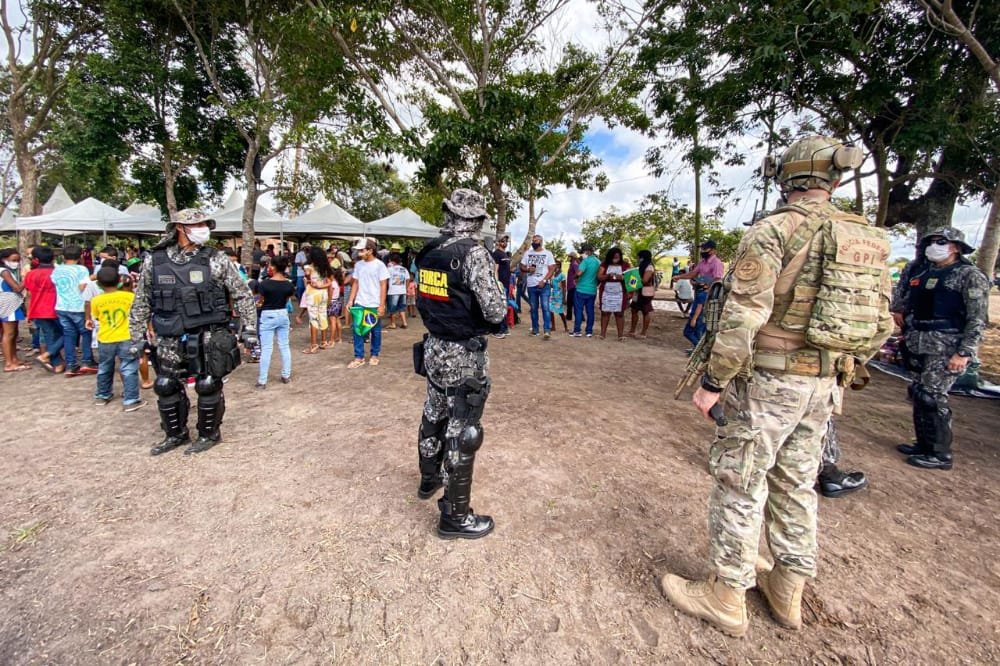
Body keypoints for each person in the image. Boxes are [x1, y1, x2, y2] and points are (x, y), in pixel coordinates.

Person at [660, 135, 892, 636]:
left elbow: (743, 317)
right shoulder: (864, 238)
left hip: (769, 381)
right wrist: (839, 365)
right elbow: (881, 324)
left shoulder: (775, 231)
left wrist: (713, 381)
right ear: (833, 178)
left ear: (787, 176)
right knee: (796, 483)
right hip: (824, 383)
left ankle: (726, 593)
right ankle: (787, 588)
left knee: (741, 480)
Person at [415, 188, 507, 538]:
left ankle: (428, 479)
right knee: (463, 429)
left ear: (448, 214)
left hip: (434, 347)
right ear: (478, 221)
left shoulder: (429, 251)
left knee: (433, 412)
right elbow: (495, 309)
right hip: (462, 355)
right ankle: (455, 517)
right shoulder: (475, 254)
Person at [129, 208, 257, 456]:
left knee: (208, 384)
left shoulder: (215, 258)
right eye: (197, 223)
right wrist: (135, 336)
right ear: (180, 227)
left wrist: (249, 327)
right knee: (166, 385)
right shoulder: (154, 261)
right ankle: (175, 434)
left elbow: (242, 293)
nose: (203, 228)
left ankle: (209, 434)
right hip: (169, 334)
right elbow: (141, 301)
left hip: (208, 332)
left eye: (205, 223)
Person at [891, 226, 990, 470]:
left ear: (956, 247)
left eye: (942, 242)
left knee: (932, 397)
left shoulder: (969, 275)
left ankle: (939, 453)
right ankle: (924, 444)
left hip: (947, 345)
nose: (935, 246)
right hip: (920, 341)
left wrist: (964, 352)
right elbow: (909, 304)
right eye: (932, 241)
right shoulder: (923, 273)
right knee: (919, 393)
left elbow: (977, 319)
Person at [88, 266, 145, 411]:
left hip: (106, 337)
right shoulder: (130, 297)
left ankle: (102, 395)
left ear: (99, 284)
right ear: (120, 281)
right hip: (127, 337)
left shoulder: (96, 300)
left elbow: (97, 317)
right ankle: (131, 400)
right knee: (129, 367)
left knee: (105, 367)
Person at [51, 245, 99, 377]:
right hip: (78, 306)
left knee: (69, 335)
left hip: (61, 306)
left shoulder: (57, 270)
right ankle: (87, 361)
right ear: (80, 256)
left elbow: (55, 283)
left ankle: (71, 365)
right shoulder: (81, 269)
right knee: (86, 332)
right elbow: (82, 286)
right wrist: (92, 278)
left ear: (63, 256)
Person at [672, 240, 725, 349]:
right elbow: (693, 273)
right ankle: (698, 348)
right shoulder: (702, 262)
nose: (703, 251)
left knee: (699, 322)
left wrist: (707, 289)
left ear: (713, 250)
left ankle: (701, 349)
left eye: (705, 249)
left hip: (707, 295)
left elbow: (717, 279)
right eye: (702, 249)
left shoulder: (717, 263)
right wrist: (680, 277)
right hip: (699, 292)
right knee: (696, 323)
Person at [346, 237, 388, 368]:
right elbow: (355, 283)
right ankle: (359, 357)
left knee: (375, 331)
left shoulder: (380, 265)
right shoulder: (358, 265)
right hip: (360, 302)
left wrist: (381, 304)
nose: (359, 253)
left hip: (374, 303)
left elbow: (383, 285)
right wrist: (350, 300)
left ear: (370, 250)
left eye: (362, 250)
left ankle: (374, 354)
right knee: (357, 330)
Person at [24, 246, 65, 373]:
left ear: (35, 259)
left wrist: (28, 312)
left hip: (38, 309)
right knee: (70, 333)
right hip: (57, 307)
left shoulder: (30, 274)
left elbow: (29, 294)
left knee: (50, 337)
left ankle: (57, 364)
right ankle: (47, 355)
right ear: (53, 258)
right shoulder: (58, 273)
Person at [256, 254, 294, 388]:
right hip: (283, 314)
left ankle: (262, 380)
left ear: (273, 267)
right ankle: (286, 375)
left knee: (266, 348)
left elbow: (260, 300)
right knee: (284, 345)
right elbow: (288, 299)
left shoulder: (264, 284)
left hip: (268, 314)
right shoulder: (288, 285)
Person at [519, 234, 556, 339]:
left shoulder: (547, 254)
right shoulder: (528, 253)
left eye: (536, 241)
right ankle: (535, 329)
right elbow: (521, 266)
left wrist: (544, 280)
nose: (533, 243)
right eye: (533, 241)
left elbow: (552, 268)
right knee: (533, 308)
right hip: (531, 285)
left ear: (540, 242)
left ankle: (547, 331)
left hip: (544, 286)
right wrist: (527, 269)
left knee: (545, 307)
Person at [0, 248, 30, 372]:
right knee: (9, 333)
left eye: (18, 260)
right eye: (13, 260)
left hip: (11, 303)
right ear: (4, 259)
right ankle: (9, 363)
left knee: (14, 333)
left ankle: (14, 359)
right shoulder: (4, 272)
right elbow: (17, 288)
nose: (16, 262)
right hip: (9, 304)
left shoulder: (7, 271)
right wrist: (27, 278)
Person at [301, 246, 334, 354]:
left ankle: (313, 345)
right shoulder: (325, 267)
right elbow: (330, 282)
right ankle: (324, 341)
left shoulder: (308, 267)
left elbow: (308, 279)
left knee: (313, 319)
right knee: (323, 316)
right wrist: (322, 286)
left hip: (312, 294)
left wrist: (314, 284)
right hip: (323, 293)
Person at [598, 247, 631, 340]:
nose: (616, 258)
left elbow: (631, 279)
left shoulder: (625, 265)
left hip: (620, 293)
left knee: (619, 314)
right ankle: (602, 334)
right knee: (605, 313)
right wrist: (608, 276)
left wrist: (623, 278)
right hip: (606, 292)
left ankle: (620, 335)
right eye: (614, 257)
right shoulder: (604, 264)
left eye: (618, 257)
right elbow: (599, 277)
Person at [571, 244, 600, 337]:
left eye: (582, 252)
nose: (581, 254)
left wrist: (574, 277)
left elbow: (579, 272)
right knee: (590, 311)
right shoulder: (598, 262)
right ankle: (589, 331)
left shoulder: (585, 261)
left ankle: (577, 331)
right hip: (592, 290)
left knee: (578, 310)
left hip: (581, 289)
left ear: (586, 251)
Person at [628, 249, 656, 339]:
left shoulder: (649, 267)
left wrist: (632, 279)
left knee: (645, 311)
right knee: (634, 310)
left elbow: (644, 280)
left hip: (645, 292)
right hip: (638, 291)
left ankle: (643, 332)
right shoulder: (641, 266)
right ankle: (632, 330)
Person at [491, 235, 512, 338]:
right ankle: (501, 330)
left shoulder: (505, 254)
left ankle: (504, 328)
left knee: (504, 306)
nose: (505, 243)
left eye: (506, 241)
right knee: (500, 306)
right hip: (501, 284)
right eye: (503, 241)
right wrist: (497, 283)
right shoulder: (496, 254)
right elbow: (495, 270)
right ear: (498, 242)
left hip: (507, 284)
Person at [386, 253, 410, 329]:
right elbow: (408, 279)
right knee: (402, 308)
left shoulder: (389, 269)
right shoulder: (404, 269)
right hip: (402, 291)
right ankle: (404, 323)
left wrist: (387, 287)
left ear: (391, 260)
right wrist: (405, 289)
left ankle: (393, 324)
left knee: (392, 308)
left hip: (393, 291)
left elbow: (386, 280)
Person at [548, 260, 568, 332]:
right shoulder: (553, 274)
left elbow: (564, 287)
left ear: (560, 265)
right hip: (553, 294)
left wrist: (564, 298)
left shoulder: (562, 275)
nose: (556, 266)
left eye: (558, 264)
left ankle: (566, 327)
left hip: (559, 295)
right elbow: (552, 285)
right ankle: (553, 326)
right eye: (555, 264)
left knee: (560, 312)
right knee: (550, 310)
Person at [566, 250, 579, 323]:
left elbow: (578, 273)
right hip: (570, 286)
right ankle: (569, 316)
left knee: (572, 302)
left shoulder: (574, 264)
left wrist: (574, 279)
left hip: (573, 286)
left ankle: (570, 316)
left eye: (570, 257)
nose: (568, 258)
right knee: (570, 302)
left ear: (573, 257)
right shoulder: (571, 264)